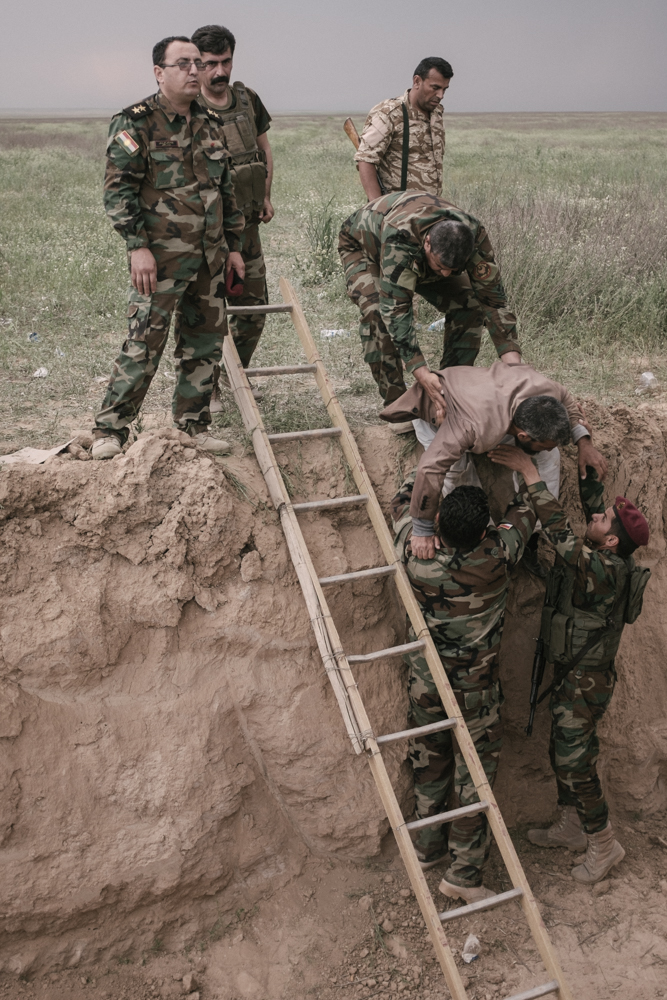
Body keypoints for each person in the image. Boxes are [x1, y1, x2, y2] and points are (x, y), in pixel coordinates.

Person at [391, 471, 561, 901]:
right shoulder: (496, 554)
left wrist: (430, 478)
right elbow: (527, 511)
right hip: (477, 693)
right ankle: (463, 876)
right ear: (485, 528)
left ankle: (426, 847)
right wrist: (523, 468)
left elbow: (404, 500)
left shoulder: (414, 550)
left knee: (430, 763)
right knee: (474, 779)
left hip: (425, 686)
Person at [488, 444, 651, 884]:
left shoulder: (605, 570)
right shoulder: (611, 552)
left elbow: (558, 532)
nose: (594, 518)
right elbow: (596, 507)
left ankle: (603, 842)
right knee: (562, 750)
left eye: (601, 522)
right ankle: (572, 824)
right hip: (575, 674)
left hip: (586, 680)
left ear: (611, 540)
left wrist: (529, 471)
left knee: (576, 760)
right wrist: (587, 458)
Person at [92, 36, 245, 459]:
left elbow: (225, 190)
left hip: (209, 257)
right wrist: (136, 246)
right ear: (160, 72)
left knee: (203, 344)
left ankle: (192, 425)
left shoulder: (211, 123)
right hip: (159, 259)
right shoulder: (135, 123)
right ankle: (111, 429)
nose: (195, 71)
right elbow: (117, 191)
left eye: (198, 63)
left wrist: (232, 247)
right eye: (183, 64)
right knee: (144, 342)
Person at [381, 360, 608, 560]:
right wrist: (422, 530)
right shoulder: (472, 429)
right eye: (542, 444)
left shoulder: (546, 391)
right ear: (522, 436)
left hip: (485, 398)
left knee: (551, 457)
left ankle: (533, 535)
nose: (545, 449)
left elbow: (567, 399)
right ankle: (481, 542)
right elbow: (430, 469)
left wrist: (584, 441)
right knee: (458, 473)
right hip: (441, 412)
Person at [338, 192, 522, 428]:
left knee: (470, 304)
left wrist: (514, 365)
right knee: (377, 314)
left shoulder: (473, 235)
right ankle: (399, 403)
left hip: (418, 254)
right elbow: (396, 310)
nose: (445, 274)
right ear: (427, 243)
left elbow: (493, 301)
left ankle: (450, 391)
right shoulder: (400, 237)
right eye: (441, 267)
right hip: (365, 248)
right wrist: (421, 372)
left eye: (453, 269)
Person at [192, 23, 273, 403]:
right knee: (208, 313)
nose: (220, 72)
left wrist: (267, 196)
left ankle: (233, 376)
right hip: (206, 233)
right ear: (197, 64)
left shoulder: (247, 99)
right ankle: (203, 389)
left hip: (247, 229)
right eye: (210, 64)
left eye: (226, 61)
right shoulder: (189, 107)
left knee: (254, 308)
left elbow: (262, 150)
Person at [354, 56, 453, 201]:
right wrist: (377, 208)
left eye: (445, 89)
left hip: (431, 209)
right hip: (397, 211)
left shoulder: (437, 114)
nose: (441, 95)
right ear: (417, 81)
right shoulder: (390, 113)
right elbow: (365, 160)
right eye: (435, 88)